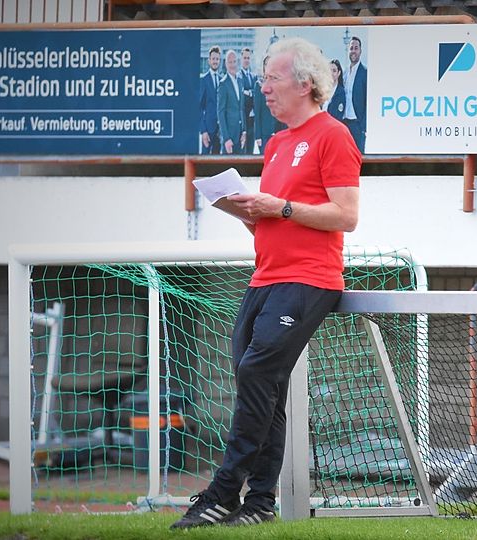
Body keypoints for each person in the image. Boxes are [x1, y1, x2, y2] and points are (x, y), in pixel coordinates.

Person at [171, 36, 360, 530]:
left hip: (309, 279)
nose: (264, 88)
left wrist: (280, 207)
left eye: (272, 78)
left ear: (305, 83)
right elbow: (273, 222)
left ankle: (222, 492)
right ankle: (259, 504)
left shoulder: (333, 135)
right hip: (265, 277)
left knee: (257, 372)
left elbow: (346, 216)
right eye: (262, 79)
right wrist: (244, 211)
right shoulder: (275, 144)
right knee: (259, 381)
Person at [217, 49, 247, 154]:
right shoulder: (223, 84)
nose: (233, 64)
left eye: (234, 61)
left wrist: (244, 131)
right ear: (226, 64)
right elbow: (220, 113)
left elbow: (241, 108)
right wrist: (226, 138)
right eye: (230, 62)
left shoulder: (240, 80)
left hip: (241, 138)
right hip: (229, 139)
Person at [342, 36, 367, 152]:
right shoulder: (344, 73)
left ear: (360, 51)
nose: (353, 51)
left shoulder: (365, 73)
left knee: (358, 157)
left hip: (357, 125)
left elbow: (368, 101)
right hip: (344, 124)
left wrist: (363, 127)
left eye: (356, 48)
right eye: (351, 48)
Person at [253, 55, 281, 154]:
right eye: (266, 64)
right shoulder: (259, 85)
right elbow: (257, 111)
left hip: (278, 130)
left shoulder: (279, 84)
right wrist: (258, 136)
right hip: (264, 134)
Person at [198, 45, 222, 154]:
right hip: (208, 130)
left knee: (217, 160)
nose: (215, 61)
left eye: (217, 59)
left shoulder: (222, 80)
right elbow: (199, 108)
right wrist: (203, 131)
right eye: (213, 59)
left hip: (220, 131)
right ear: (209, 61)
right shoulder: (203, 80)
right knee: (204, 160)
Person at [240, 47, 257, 154]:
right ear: (241, 59)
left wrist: (248, 92)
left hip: (252, 120)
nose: (246, 60)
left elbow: (256, 93)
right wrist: (250, 92)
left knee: (251, 150)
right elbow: (241, 93)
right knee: (243, 151)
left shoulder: (254, 77)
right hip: (243, 120)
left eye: (248, 58)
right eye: (245, 58)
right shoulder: (238, 77)